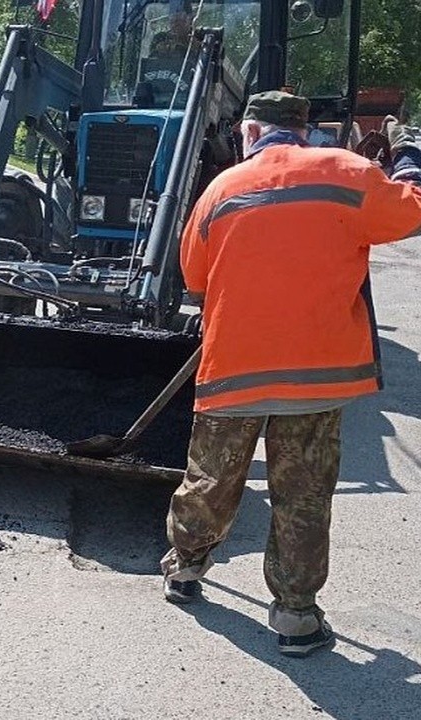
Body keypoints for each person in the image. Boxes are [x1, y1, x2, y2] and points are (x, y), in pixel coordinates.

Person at [160, 91, 421, 658]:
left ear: (250, 133)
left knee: (211, 479)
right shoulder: (349, 172)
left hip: (233, 369)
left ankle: (184, 570)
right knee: (302, 496)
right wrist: (410, 162)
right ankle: (297, 620)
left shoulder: (219, 189)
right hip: (317, 378)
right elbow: (411, 211)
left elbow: (195, 280)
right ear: (303, 133)